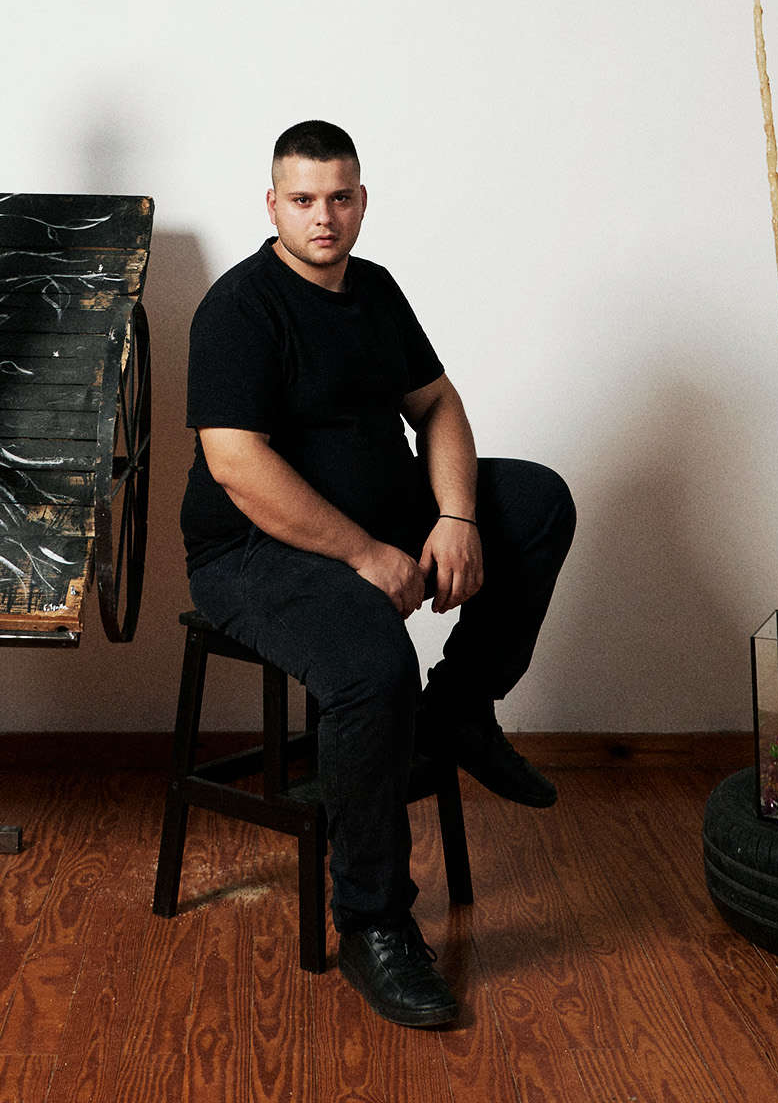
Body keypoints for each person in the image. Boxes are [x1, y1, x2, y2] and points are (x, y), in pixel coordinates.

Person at [182, 121, 575, 1028]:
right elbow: (237, 465)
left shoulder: (377, 290)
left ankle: (459, 710)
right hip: (253, 552)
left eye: (340, 198)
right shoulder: (238, 309)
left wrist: (456, 518)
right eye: (303, 200)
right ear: (272, 204)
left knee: (537, 502)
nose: (323, 217)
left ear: (362, 201)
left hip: (384, 514)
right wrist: (365, 555)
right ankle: (374, 923)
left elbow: (437, 404)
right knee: (371, 666)